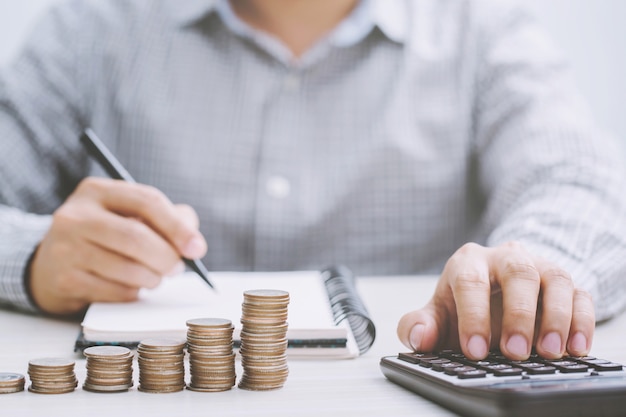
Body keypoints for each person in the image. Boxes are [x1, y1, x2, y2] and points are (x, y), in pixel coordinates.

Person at [1, 0, 625, 362]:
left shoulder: (483, 28)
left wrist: (535, 274)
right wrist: (31, 258)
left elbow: (575, 183)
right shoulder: (92, 26)